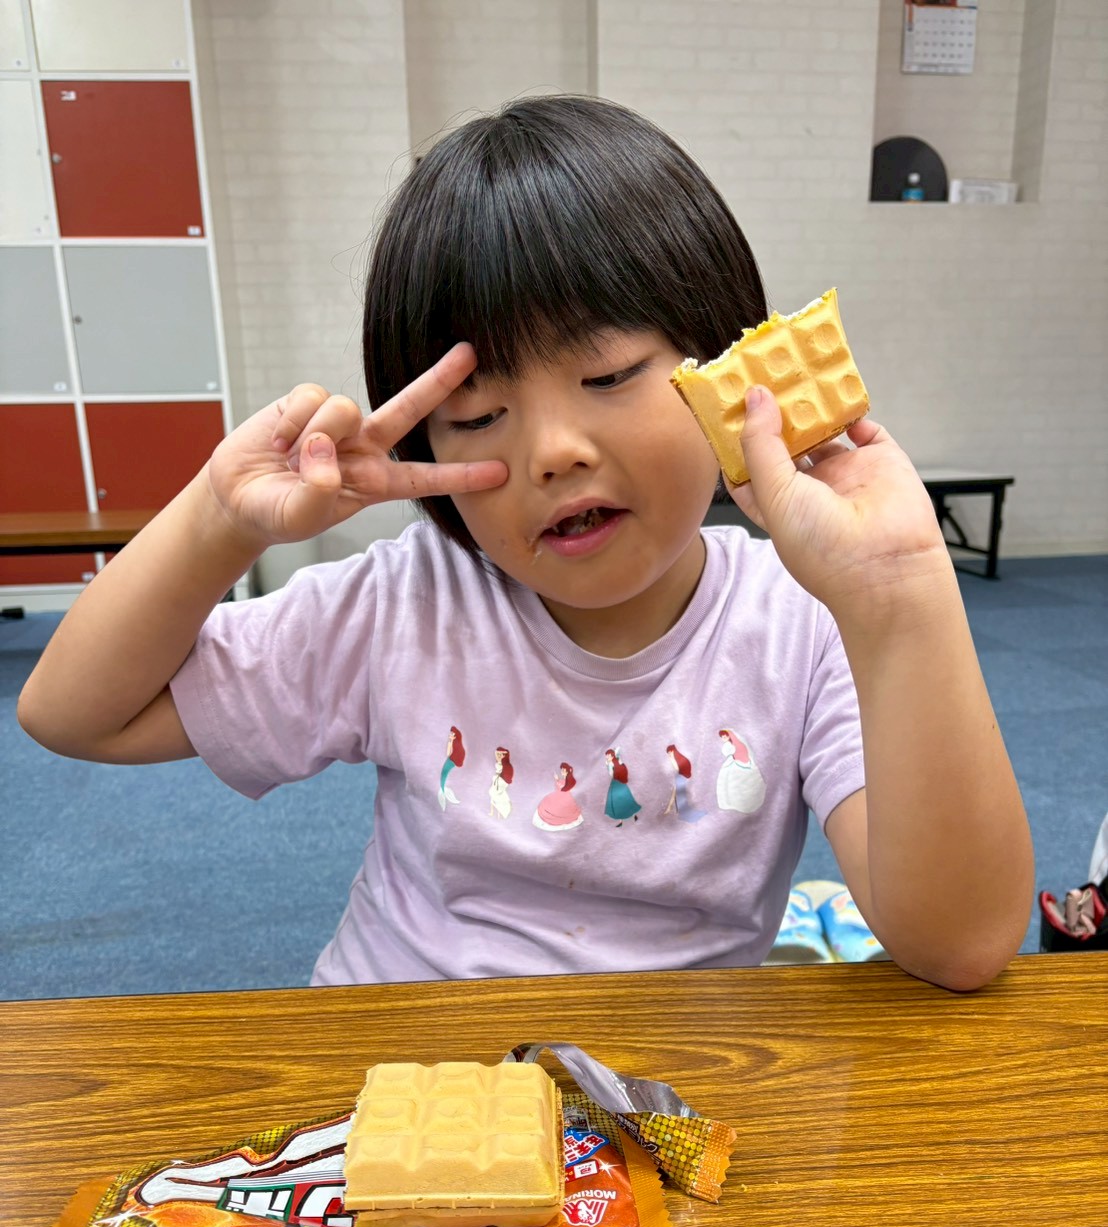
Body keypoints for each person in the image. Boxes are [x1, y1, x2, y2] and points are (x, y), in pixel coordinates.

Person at [17, 94, 1033, 990]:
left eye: (607, 376)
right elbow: (72, 714)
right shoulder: (404, 604)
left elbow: (961, 943)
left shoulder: (804, 623)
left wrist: (898, 594)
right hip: (404, 1064)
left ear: (726, 374)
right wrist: (219, 519)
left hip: (655, 1100)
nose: (552, 450)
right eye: (476, 416)